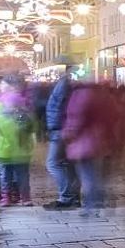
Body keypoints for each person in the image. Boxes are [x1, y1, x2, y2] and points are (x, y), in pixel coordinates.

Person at [62, 79, 125, 214]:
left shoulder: (79, 95)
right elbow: (115, 116)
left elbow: (76, 118)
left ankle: (91, 204)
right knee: (98, 172)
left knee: (87, 174)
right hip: (101, 140)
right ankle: (99, 200)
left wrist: (69, 133)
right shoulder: (104, 96)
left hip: (84, 141)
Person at [0, 78, 36, 206]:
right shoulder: (25, 103)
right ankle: (25, 198)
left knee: (5, 175)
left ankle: (7, 198)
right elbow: (32, 124)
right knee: (21, 175)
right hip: (21, 146)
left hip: (6, 147)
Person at [42, 71, 81, 209]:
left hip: (60, 130)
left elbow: (58, 108)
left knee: (52, 164)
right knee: (67, 164)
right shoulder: (69, 85)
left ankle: (66, 197)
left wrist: (53, 128)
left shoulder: (63, 85)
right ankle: (73, 197)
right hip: (64, 130)